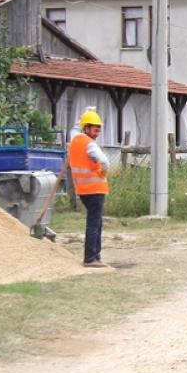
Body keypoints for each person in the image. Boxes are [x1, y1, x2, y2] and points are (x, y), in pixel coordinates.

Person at [68, 107, 110, 267]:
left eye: (99, 130)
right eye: (95, 130)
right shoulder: (90, 145)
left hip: (82, 190)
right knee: (94, 224)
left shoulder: (74, 139)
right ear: (86, 128)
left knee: (96, 222)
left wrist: (86, 112)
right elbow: (105, 162)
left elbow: (74, 128)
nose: (97, 133)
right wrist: (102, 173)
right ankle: (91, 258)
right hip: (95, 189)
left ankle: (95, 256)